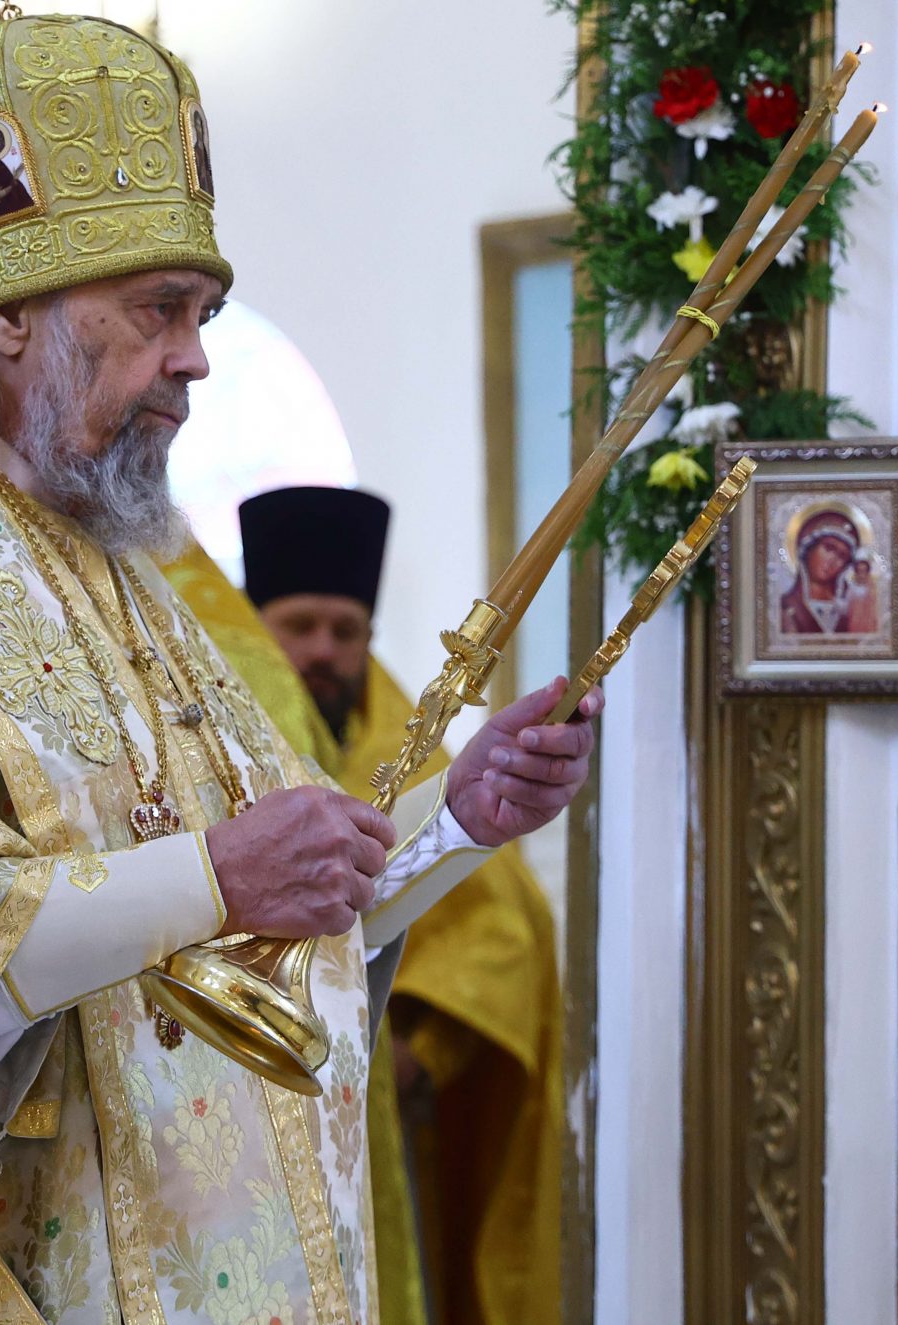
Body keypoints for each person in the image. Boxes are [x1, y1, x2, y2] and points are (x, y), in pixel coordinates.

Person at [0, 8, 599, 1324]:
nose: (195, 356)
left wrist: (454, 815)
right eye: (160, 309)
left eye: (201, 312)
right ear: (9, 316)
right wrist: (213, 876)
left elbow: (265, 919)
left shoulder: (124, 582)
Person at [237, 485, 564, 1325]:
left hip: (373, 1106)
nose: (324, 649)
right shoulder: (218, 736)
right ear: (254, 630)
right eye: (300, 625)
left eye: (346, 630)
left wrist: (424, 1047)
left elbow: (503, 930)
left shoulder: (409, 748)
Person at [776, 505, 878, 636]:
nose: (832, 560)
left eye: (842, 556)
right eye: (829, 548)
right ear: (809, 548)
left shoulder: (852, 602)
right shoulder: (787, 605)